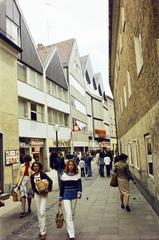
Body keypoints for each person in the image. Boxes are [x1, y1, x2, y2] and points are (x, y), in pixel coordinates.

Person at [58, 160, 82, 240]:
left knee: (72, 214)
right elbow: (61, 188)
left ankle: (69, 228)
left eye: (72, 165)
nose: (70, 166)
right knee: (68, 215)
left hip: (75, 195)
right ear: (67, 166)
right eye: (69, 165)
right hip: (66, 196)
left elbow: (79, 185)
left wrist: (79, 193)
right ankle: (72, 235)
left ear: (74, 166)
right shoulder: (64, 176)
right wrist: (60, 197)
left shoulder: (77, 175)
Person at [30, 162, 52, 240]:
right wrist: (37, 191)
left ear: (39, 167)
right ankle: (41, 229)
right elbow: (33, 187)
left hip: (44, 195)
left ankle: (43, 232)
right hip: (37, 195)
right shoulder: (32, 176)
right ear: (33, 167)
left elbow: (50, 181)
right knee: (39, 213)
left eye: (37, 166)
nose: (36, 167)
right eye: (34, 166)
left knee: (42, 212)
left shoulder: (43, 174)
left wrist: (48, 189)